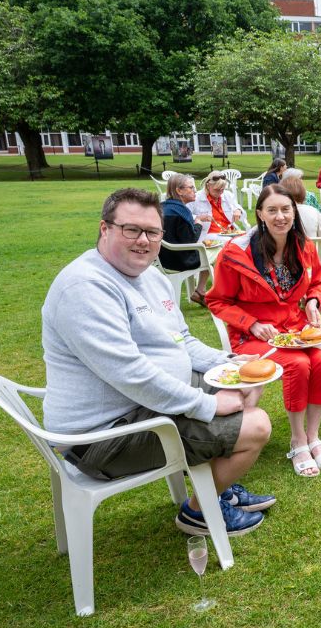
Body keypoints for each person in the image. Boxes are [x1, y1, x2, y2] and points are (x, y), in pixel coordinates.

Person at [42, 188, 274, 536]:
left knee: (244, 384)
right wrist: (206, 404)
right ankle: (199, 512)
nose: (143, 241)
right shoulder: (86, 287)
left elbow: (182, 341)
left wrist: (232, 361)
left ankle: (216, 489)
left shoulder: (151, 277)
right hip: (105, 434)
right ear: (105, 229)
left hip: (145, 406)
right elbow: (131, 374)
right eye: (131, 230)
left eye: (152, 232)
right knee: (256, 425)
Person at [207, 185, 321, 477]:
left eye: (286, 209)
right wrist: (250, 323)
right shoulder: (236, 252)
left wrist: (314, 301)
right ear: (260, 214)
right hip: (252, 335)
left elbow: (319, 281)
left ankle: (314, 436)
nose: (280, 217)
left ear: (295, 212)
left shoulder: (303, 246)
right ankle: (298, 440)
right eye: (272, 210)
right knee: (298, 363)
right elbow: (216, 300)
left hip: (293, 330)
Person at [159, 174, 210, 306]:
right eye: (191, 187)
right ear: (179, 191)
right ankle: (200, 291)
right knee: (213, 253)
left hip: (161, 258)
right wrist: (198, 223)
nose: (195, 191)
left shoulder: (163, 207)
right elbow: (191, 240)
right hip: (179, 260)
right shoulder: (181, 212)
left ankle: (198, 291)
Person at [190, 171, 245, 239]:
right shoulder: (196, 198)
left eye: (222, 189)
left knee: (250, 239)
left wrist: (238, 210)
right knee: (231, 242)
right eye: (217, 190)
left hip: (229, 232)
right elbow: (185, 216)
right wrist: (199, 218)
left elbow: (238, 208)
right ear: (208, 185)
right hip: (208, 234)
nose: (220, 193)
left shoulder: (227, 195)